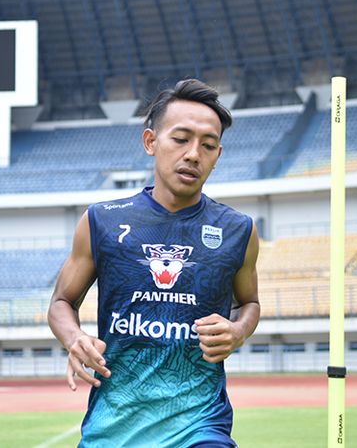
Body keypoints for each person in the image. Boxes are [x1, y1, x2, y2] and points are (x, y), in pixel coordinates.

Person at [48, 79, 260, 447]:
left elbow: (250, 304)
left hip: (200, 426)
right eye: (181, 139)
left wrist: (238, 331)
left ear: (218, 154)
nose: (194, 154)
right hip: (113, 429)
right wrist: (75, 338)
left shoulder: (237, 230)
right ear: (151, 142)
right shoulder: (102, 221)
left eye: (208, 145)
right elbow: (61, 303)